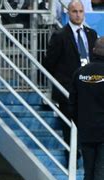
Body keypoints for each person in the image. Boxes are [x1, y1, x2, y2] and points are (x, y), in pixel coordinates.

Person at [43, 0, 98, 163]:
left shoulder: (91, 34)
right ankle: (72, 157)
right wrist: (62, 82)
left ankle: (86, 155)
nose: (78, 14)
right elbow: (49, 62)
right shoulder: (60, 36)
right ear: (68, 13)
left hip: (88, 88)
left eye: (81, 11)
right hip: (67, 89)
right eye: (75, 11)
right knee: (69, 124)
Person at [68, 37, 104, 180]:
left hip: (86, 132)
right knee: (101, 175)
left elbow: (71, 104)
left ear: (92, 51)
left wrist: (81, 124)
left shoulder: (79, 73)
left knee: (88, 174)